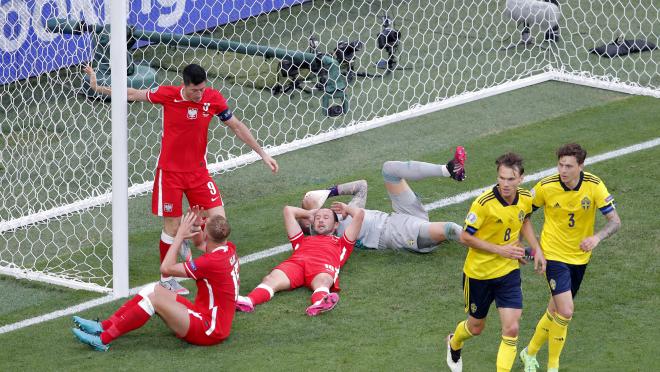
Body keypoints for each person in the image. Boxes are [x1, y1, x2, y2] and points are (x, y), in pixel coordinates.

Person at [84, 64, 278, 295]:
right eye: (196, 90)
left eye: (203, 89)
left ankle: (209, 260)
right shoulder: (168, 95)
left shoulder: (212, 99)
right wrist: (97, 87)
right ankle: (167, 279)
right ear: (185, 86)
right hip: (170, 174)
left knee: (219, 225)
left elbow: (236, 126)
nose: (200, 94)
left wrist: (263, 154)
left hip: (198, 173)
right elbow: (132, 94)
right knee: (172, 228)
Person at [71, 211, 240, 351]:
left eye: (204, 226)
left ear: (207, 236)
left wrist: (179, 236)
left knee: (155, 300)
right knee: (154, 289)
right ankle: (103, 326)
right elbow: (201, 245)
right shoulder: (228, 249)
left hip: (209, 329)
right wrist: (196, 226)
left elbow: (166, 268)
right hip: (207, 317)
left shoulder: (211, 262)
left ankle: (102, 340)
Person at [519, 143, 621, 372]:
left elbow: (615, 221)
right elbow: (521, 214)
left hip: (580, 259)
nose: (562, 171)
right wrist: (530, 246)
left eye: (568, 166)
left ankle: (529, 352)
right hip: (553, 255)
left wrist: (597, 237)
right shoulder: (546, 186)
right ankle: (553, 366)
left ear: (581, 166)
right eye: (560, 165)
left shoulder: (594, 186)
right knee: (566, 310)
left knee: (555, 310)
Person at [446, 152, 546, 372]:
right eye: (501, 178)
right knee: (475, 327)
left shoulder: (525, 198)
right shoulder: (483, 204)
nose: (505, 184)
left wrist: (536, 248)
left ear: (520, 178)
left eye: (510, 179)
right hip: (479, 274)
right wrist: (501, 250)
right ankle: (454, 342)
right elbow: (464, 237)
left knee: (511, 329)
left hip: (508, 273)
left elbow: (525, 219)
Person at [300, 147, 467, 253]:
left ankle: (448, 170)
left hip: (400, 215)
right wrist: (346, 209)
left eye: (320, 214)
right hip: (398, 234)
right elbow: (359, 217)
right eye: (315, 219)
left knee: (389, 168)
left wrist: (328, 193)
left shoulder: (342, 214)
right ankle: (488, 246)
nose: (319, 217)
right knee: (450, 229)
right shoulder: (335, 239)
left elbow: (362, 186)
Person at [235, 204, 364, 316]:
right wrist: (308, 213)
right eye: (317, 218)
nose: (321, 221)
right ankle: (248, 301)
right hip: (296, 264)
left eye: (326, 218)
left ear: (336, 224)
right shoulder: (301, 240)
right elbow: (288, 210)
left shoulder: (342, 243)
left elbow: (359, 214)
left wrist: (346, 208)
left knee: (323, 281)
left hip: (321, 267)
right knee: (271, 279)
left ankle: (320, 303)